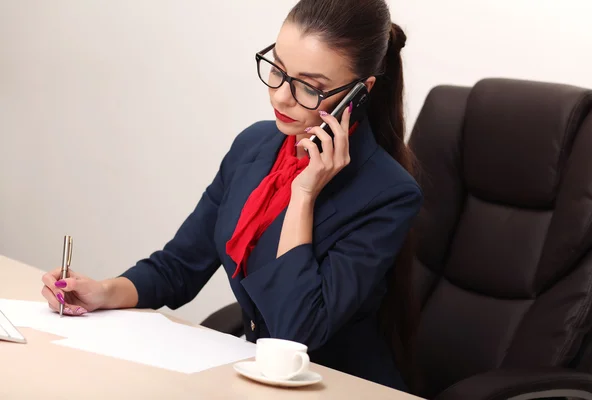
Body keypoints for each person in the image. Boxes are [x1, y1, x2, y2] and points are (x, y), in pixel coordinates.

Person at [40, 0, 423, 392]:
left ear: (361, 92)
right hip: (258, 382)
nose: (281, 97)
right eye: (277, 69)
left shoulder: (388, 193)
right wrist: (102, 292)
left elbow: (298, 331)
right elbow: (179, 266)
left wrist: (303, 194)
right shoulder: (254, 146)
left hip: (340, 388)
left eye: (310, 87)